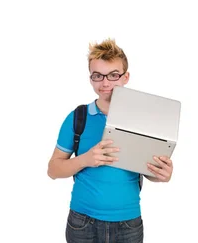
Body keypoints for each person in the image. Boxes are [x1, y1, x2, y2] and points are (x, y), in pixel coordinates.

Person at [47, 38, 174, 243]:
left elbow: (148, 169)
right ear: (91, 78)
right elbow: (53, 170)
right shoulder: (78, 117)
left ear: (126, 77)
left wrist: (162, 175)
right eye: (98, 75)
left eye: (113, 75)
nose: (105, 83)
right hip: (82, 222)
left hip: (128, 223)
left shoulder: (145, 120)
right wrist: (85, 159)